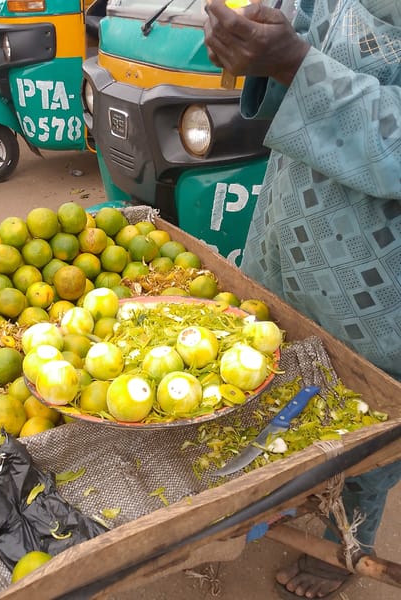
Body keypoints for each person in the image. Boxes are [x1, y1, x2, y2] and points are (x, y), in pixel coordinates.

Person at [203, 0, 401, 598]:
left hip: (377, 273)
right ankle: (286, 495)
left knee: (365, 421)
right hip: (291, 221)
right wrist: (255, 40)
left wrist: (295, 63)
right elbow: (302, 28)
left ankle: (347, 542)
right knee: (270, 374)